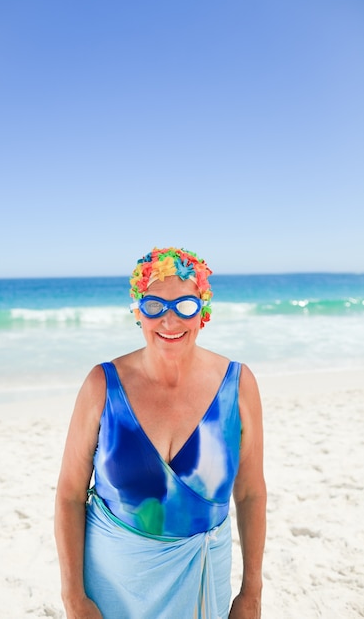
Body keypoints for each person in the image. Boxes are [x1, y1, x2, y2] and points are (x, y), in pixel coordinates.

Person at [54, 246, 267, 619]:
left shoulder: (238, 384)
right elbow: (70, 496)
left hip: (201, 585)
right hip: (112, 589)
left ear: (203, 311)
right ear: (138, 310)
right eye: (155, 305)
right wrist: (74, 598)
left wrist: (252, 593)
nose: (170, 321)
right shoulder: (102, 385)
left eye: (185, 305)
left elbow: (250, 494)